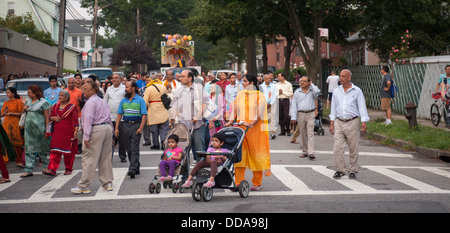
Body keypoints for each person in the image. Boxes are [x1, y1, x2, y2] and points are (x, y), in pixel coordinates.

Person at [225, 73, 271, 191]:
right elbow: (234, 109)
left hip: (255, 130)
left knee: (256, 155)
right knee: (239, 155)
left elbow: (259, 113)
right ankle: (238, 182)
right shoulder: (240, 94)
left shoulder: (259, 96)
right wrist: (230, 120)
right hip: (241, 129)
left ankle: (257, 182)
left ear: (251, 83)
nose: (243, 83)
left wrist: (250, 124)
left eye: (245, 81)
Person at [71, 82, 114, 194]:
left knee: (89, 158)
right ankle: (107, 182)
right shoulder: (102, 101)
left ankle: (84, 185)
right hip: (106, 128)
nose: (84, 92)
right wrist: (112, 133)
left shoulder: (90, 103)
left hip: (96, 129)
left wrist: (86, 136)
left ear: (93, 90)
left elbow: (88, 120)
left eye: (86, 90)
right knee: (105, 157)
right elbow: (109, 117)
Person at [329, 69, 369, 180]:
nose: (340, 78)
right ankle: (340, 170)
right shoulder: (337, 91)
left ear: (349, 78)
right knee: (337, 148)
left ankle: (352, 170)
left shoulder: (357, 91)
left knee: (353, 148)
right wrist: (332, 123)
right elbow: (333, 108)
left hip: (353, 122)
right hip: (339, 122)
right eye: (340, 76)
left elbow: (362, 106)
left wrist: (364, 121)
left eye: (343, 76)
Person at [170, 70, 209, 162]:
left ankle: (200, 171)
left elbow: (205, 103)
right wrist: (173, 117)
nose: (180, 79)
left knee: (199, 149)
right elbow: (174, 105)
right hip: (183, 125)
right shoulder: (179, 90)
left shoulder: (199, 88)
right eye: (180, 76)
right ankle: (184, 173)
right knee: (183, 150)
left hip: (198, 125)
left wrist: (197, 116)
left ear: (190, 78)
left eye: (183, 76)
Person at [115, 81, 147, 179]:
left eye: (128, 87)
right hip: (125, 125)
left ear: (133, 88)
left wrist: (141, 127)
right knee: (128, 148)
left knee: (134, 147)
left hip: (136, 125)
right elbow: (119, 114)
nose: (126, 89)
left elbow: (144, 115)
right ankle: (136, 165)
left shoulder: (140, 100)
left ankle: (132, 168)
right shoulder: (123, 101)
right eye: (125, 87)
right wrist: (116, 128)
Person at [44, 91, 79, 176]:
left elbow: (75, 121)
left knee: (68, 152)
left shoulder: (72, 107)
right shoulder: (56, 106)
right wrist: (54, 118)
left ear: (67, 97)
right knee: (55, 150)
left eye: (62, 96)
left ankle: (68, 168)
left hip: (68, 132)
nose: (60, 97)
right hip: (57, 132)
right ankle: (52, 169)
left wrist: (75, 132)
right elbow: (50, 117)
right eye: (59, 95)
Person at [21, 85, 51, 178]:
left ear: (35, 93)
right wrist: (24, 108)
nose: (28, 94)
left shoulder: (43, 103)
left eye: (29, 92)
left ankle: (46, 167)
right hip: (29, 129)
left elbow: (47, 117)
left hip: (40, 129)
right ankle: (29, 169)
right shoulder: (28, 101)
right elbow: (23, 112)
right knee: (29, 148)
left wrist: (47, 130)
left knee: (43, 148)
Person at [290, 76, 320, 160]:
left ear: (308, 82)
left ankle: (311, 152)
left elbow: (317, 91)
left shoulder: (312, 91)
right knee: (303, 133)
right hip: (301, 114)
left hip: (311, 113)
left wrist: (312, 84)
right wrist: (293, 117)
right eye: (301, 81)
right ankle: (305, 151)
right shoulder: (297, 92)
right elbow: (293, 105)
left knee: (310, 133)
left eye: (304, 81)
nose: (302, 83)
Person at [104, 73, 127, 162]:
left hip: (121, 118)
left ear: (120, 79)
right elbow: (105, 101)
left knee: (122, 139)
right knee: (110, 139)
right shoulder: (109, 89)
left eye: (116, 78)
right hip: (110, 117)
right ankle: (110, 157)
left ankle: (123, 156)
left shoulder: (124, 88)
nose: (114, 80)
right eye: (113, 78)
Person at [1, 87, 25, 167]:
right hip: (7, 123)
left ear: (13, 93)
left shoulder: (18, 102)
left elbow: (21, 113)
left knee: (17, 141)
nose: (7, 94)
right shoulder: (6, 103)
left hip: (15, 122)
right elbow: (1, 115)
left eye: (8, 92)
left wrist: (11, 113)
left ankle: (19, 160)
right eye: (6, 92)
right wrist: (4, 112)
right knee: (6, 141)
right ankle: (6, 160)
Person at [144, 78, 170, 150]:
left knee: (154, 129)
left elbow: (145, 102)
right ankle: (163, 143)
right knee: (164, 128)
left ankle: (156, 144)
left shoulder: (148, 89)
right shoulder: (163, 87)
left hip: (153, 110)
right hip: (162, 109)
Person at [259, 74, 278, 140]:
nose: (268, 80)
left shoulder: (273, 86)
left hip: (272, 104)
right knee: (264, 118)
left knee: (272, 118)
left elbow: (274, 95)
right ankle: (264, 133)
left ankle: (272, 133)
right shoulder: (261, 86)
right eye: (267, 78)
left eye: (269, 78)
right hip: (263, 104)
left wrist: (270, 103)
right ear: (264, 79)